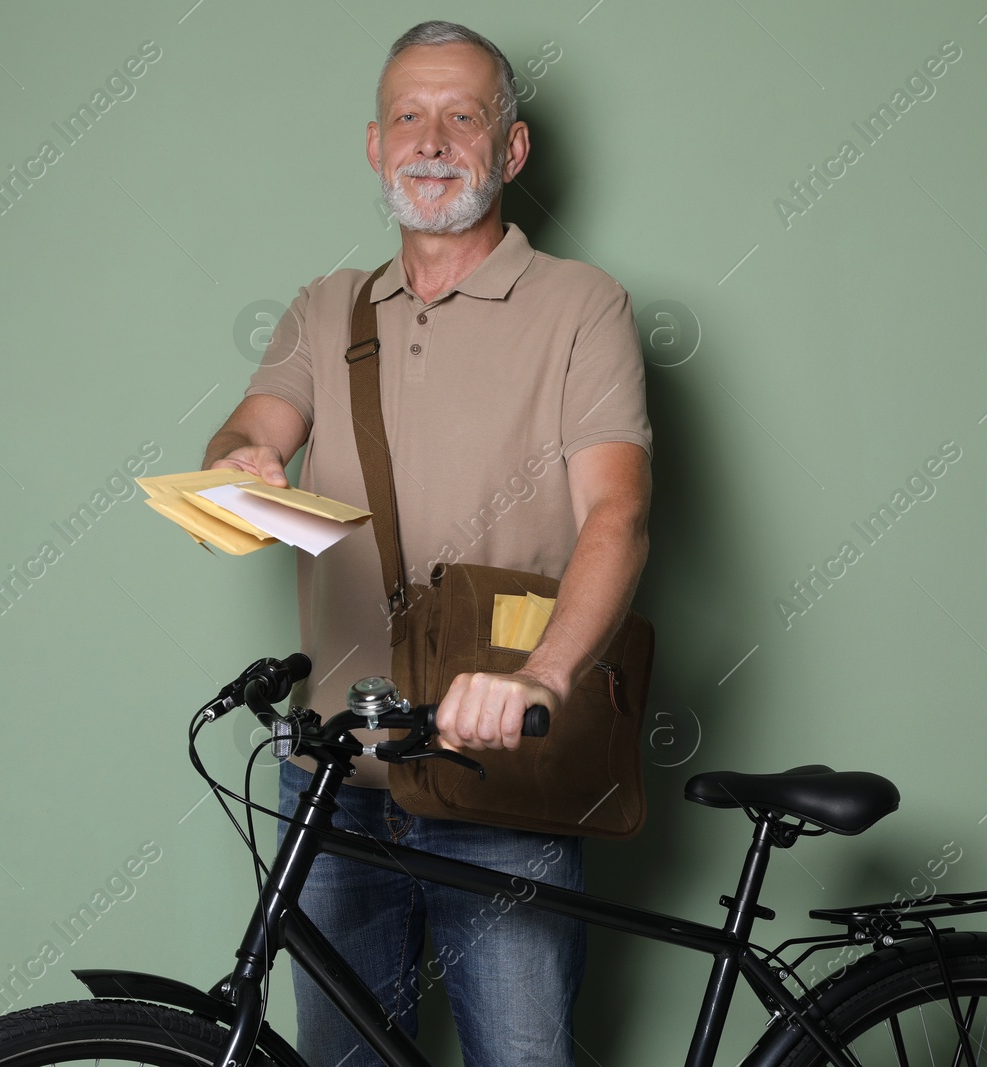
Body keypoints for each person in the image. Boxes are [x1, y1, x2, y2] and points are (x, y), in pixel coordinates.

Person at [202, 20, 651, 1067]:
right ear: (374, 143)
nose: (432, 137)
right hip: (333, 776)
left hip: (504, 771)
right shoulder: (327, 307)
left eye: (463, 115)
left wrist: (539, 673)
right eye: (409, 114)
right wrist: (239, 465)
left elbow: (617, 514)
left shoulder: (582, 304)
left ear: (512, 148)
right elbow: (249, 429)